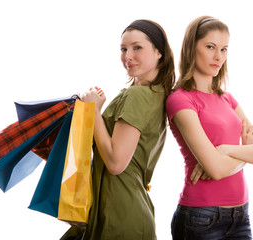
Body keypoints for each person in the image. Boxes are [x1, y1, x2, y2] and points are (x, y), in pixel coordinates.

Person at [60, 19, 175, 240]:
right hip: (121, 208)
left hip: (119, 214)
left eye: (137, 47)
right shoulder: (156, 93)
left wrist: (93, 112)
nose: (127, 56)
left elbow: (115, 162)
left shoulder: (137, 96)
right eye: (123, 49)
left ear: (159, 52)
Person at [166, 16, 253, 239]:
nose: (218, 57)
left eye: (224, 49)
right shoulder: (180, 100)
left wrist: (225, 150)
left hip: (241, 214)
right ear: (191, 47)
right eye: (210, 47)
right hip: (201, 216)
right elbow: (216, 170)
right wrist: (245, 152)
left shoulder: (228, 99)